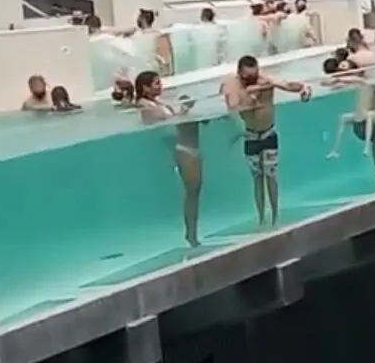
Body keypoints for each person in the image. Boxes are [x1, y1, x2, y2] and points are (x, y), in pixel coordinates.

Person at [221, 54, 312, 228]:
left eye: (254, 75)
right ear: (239, 73)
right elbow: (232, 107)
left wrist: (304, 88)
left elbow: (286, 84)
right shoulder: (232, 86)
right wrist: (248, 95)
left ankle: (275, 215)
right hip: (251, 135)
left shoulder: (265, 80)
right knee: (257, 177)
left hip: (268, 133)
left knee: (271, 175)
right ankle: (261, 216)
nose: (252, 79)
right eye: (248, 77)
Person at [134, 70, 203, 247]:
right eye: (157, 83)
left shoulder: (156, 102)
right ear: (145, 87)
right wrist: (185, 108)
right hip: (180, 149)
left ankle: (192, 233)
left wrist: (184, 109)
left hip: (185, 146)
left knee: (194, 192)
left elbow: (173, 119)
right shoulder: (144, 105)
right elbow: (166, 122)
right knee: (191, 194)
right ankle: (191, 235)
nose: (161, 86)